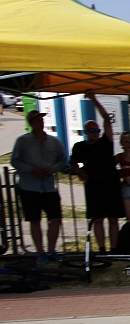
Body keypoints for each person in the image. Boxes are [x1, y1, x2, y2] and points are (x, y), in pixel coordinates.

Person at [11, 109, 67, 264]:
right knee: (34, 219)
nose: (40, 123)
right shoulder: (22, 141)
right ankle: (40, 252)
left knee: (55, 218)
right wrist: (30, 169)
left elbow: (62, 160)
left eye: (41, 120)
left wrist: (53, 168)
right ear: (31, 123)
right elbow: (14, 161)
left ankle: (51, 250)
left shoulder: (54, 141)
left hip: (49, 186)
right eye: (36, 120)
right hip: (29, 186)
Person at [69, 92, 122, 253]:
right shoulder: (80, 147)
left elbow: (106, 119)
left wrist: (94, 100)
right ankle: (101, 248)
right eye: (92, 130)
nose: (95, 132)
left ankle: (114, 248)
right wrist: (79, 172)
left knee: (114, 218)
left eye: (97, 130)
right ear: (86, 132)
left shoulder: (105, 142)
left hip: (111, 183)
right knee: (98, 219)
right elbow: (72, 162)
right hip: (93, 185)